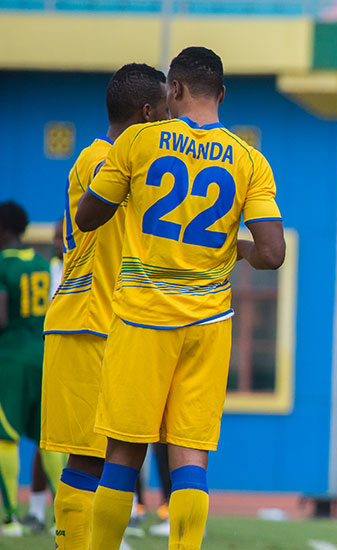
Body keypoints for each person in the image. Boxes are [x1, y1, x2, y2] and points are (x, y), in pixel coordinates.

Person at [75, 46, 286, 550]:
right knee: (190, 455)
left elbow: (87, 217)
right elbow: (274, 253)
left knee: (124, 452)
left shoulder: (140, 141)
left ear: (172, 90)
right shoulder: (250, 159)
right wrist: (235, 249)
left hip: (142, 315)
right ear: (223, 94)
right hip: (209, 323)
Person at [40, 62, 169, 550]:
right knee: (91, 458)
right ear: (146, 112)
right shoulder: (106, 161)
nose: (171, 125)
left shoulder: (110, 158)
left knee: (108, 457)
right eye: (165, 113)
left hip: (106, 321)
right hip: (90, 321)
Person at [0, 201, 52, 536]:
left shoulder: (2, 264)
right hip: (44, 354)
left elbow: (1, 318)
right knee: (50, 439)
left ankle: (11, 520)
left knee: (6, 437)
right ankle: (64, 516)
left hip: (12, 359)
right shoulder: (41, 262)